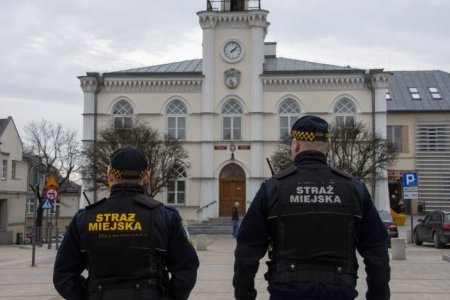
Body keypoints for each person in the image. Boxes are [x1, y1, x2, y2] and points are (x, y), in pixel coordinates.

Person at [233, 115, 390, 300]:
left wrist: (245, 296)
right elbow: (377, 253)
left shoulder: (273, 188)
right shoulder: (354, 188)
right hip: (339, 292)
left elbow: (247, 251)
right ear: (329, 145)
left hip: (286, 292)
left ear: (296, 144)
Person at [53, 146, 199, 300]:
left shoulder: (84, 219)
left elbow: (63, 275)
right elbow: (186, 269)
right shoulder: (165, 217)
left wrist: (89, 295)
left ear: (109, 175)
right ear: (146, 176)